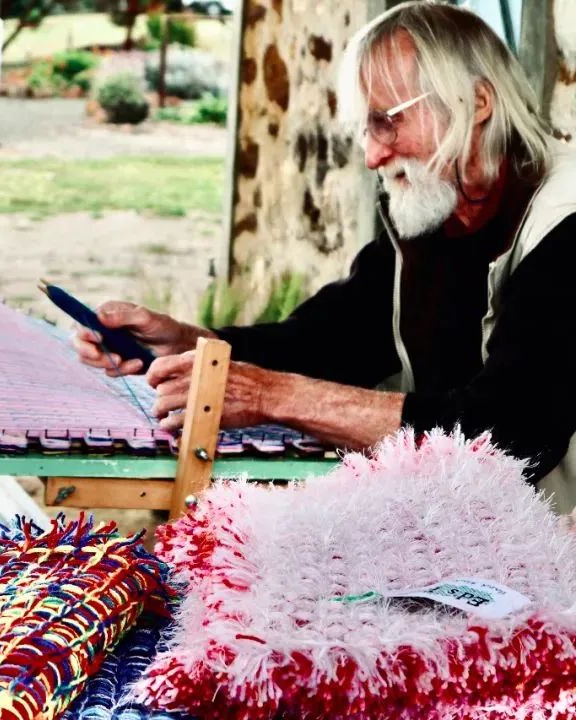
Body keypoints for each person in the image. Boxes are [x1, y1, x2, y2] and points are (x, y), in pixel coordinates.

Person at [73, 1, 576, 483]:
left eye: (387, 121)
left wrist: (271, 396)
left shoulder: (565, 219)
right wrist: (195, 344)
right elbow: (334, 340)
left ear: (478, 102)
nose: (373, 156)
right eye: (364, 129)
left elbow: (513, 431)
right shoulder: (437, 207)